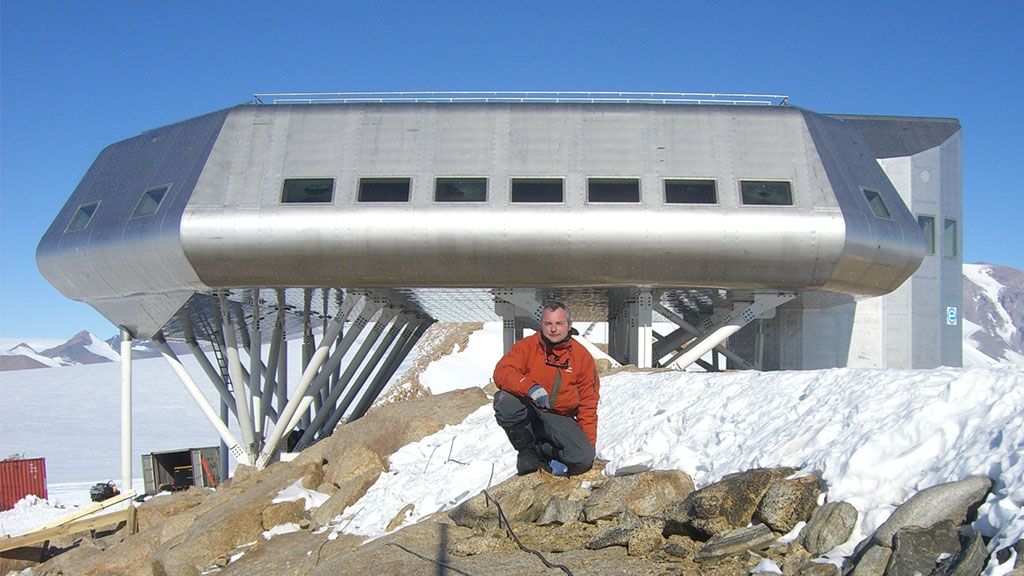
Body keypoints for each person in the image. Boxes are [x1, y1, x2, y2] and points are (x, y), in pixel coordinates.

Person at [492, 301, 599, 476]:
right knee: (505, 400)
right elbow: (502, 372)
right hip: (531, 410)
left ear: (569, 325)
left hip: (560, 418)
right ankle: (528, 450)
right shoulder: (527, 346)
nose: (553, 329)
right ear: (541, 324)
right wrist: (531, 388)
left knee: (582, 459)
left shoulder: (582, 357)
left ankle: (543, 449)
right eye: (548, 324)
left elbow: (588, 403)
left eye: (559, 323)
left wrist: (588, 445)